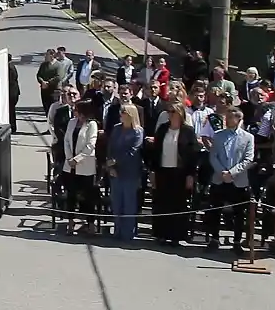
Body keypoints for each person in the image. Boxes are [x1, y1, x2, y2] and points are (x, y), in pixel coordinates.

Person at [150, 103, 199, 246]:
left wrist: (190, 174)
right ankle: (161, 234)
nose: (170, 114)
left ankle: (177, 235)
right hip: (162, 170)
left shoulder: (188, 131)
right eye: (169, 112)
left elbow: (192, 155)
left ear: (181, 114)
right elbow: (155, 152)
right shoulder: (162, 129)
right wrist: (152, 171)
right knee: (161, 203)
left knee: (178, 204)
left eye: (173, 112)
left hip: (181, 173)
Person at [205, 107, 253, 253]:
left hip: (238, 180)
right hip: (219, 179)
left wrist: (232, 173)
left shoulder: (248, 137)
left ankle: (237, 242)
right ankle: (214, 239)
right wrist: (222, 172)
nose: (227, 120)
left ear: (238, 119)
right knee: (215, 210)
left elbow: (248, 159)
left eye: (231, 117)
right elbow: (213, 156)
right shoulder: (218, 135)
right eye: (226, 117)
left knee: (239, 213)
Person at [106, 104, 144, 240]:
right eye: (121, 112)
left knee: (129, 203)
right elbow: (110, 147)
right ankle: (117, 230)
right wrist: (110, 165)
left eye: (124, 112)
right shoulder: (117, 129)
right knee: (116, 203)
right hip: (115, 172)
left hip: (130, 172)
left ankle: (128, 233)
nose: (121, 114)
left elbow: (133, 152)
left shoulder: (138, 132)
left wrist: (115, 161)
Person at [63, 100, 99, 235]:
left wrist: (77, 159)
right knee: (71, 195)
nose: (74, 111)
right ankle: (70, 222)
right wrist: (69, 158)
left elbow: (90, 145)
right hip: (70, 165)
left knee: (88, 196)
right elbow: (66, 140)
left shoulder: (91, 125)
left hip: (85, 165)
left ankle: (90, 224)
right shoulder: (71, 122)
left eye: (76, 109)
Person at [36, 48, 62, 113]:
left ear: (52, 55)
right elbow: (39, 75)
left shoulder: (58, 65)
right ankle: (48, 118)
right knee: (46, 106)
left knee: (53, 106)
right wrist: (42, 82)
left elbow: (58, 77)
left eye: (47, 55)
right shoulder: (43, 65)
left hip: (54, 90)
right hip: (44, 89)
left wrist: (48, 83)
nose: (45, 56)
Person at [7, 55, 20, 133]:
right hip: (14, 91)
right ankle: (12, 126)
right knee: (11, 110)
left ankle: (13, 127)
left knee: (11, 110)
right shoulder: (12, 66)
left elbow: (11, 80)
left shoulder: (10, 68)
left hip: (12, 92)